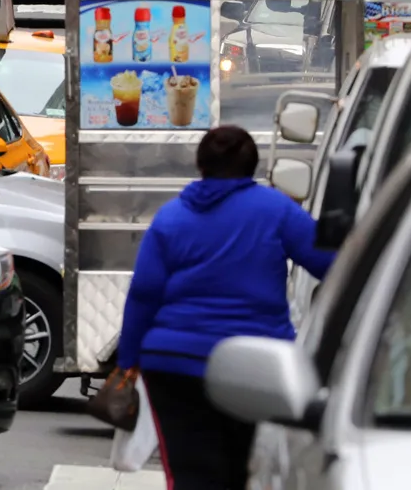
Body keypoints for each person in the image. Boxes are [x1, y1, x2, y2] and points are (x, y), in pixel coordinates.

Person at [116, 126, 334, 490]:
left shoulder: (170, 217)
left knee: (191, 476)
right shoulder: (277, 210)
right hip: (256, 367)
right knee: (250, 472)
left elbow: (144, 293)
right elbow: (332, 263)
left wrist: (128, 362)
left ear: (200, 164)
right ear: (252, 166)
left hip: (174, 364)